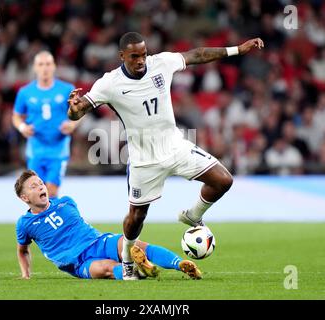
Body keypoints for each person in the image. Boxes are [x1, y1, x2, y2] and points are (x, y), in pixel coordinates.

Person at [68, 32, 264, 280]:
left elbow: (197, 54)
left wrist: (237, 49)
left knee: (223, 180)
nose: (141, 60)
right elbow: (78, 111)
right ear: (122, 56)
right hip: (143, 161)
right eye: (134, 56)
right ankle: (128, 256)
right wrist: (73, 109)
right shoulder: (109, 83)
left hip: (175, 147)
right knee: (136, 217)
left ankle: (193, 215)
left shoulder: (161, 63)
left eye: (144, 54)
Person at [15, 169, 202, 280]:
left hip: (98, 241)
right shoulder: (25, 224)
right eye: (34, 186)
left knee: (135, 245)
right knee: (106, 268)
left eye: (40, 183)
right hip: (78, 263)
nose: (40, 186)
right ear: (24, 198)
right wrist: (25, 274)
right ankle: (140, 271)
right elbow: (22, 250)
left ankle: (180, 264)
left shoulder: (66, 201)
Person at [13, 51, 78, 198]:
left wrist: (72, 124)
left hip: (58, 149)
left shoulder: (67, 89)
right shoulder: (25, 92)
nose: (45, 68)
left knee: (51, 190)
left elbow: (79, 112)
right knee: (35, 192)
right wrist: (22, 127)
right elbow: (16, 117)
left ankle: (51, 220)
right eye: (41, 64)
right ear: (35, 68)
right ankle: (42, 220)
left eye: (48, 64)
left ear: (54, 66)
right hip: (36, 149)